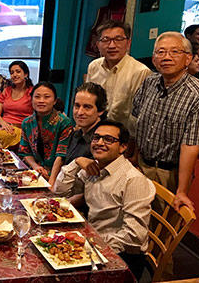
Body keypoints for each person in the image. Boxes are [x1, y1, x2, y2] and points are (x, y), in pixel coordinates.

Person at [53, 120, 155, 281]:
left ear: (123, 147)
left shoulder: (133, 180)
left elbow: (135, 237)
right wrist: (76, 162)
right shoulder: (95, 167)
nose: (100, 143)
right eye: (96, 138)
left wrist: (89, 243)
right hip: (94, 239)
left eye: (109, 139)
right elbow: (60, 194)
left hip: (122, 257)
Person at [133, 31, 199, 212]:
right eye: (160, 52)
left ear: (188, 59)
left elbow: (191, 145)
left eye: (175, 52)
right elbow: (137, 123)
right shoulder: (149, 82)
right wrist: (133, 158)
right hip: (140, 166)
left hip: (169, 173)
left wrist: (182, 190)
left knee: (159, 229)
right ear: (153, 60)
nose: (166, 57)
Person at [86, 20, 151, 135]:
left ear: (128, 43)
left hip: (121, 139)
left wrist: (131, 141)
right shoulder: (94, 67)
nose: (112, 45)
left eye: (118, 39)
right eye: (106, 40)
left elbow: (139, 116)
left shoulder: (141, 72)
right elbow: (87, 101)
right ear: (98, 44)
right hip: (94, 133)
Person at [52, 82, 107, 206]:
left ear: (100, 111)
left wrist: (60, 205)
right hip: (65, 196)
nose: (80, 112)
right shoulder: (77, 134)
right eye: (77, 106)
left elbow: (95, 191)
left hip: (87, 209)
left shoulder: (102, 141)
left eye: (87, 107)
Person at [18, 82, 73, 186]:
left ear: (54, 101)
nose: (41, 101)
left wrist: (52, 182)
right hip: (34, 172)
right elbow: (25, 152)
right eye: (37, 97)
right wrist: (35, 166)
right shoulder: (27, 122)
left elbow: (61, 156)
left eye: (47, 97)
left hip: (58, 174)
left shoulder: (64, 122)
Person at [0, 60, 33, 148]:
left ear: (26, 74)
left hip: (21, 129)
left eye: (18, 71)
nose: (14, 75)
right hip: (4, 126)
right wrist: (3, 124)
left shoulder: (32, 92)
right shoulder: (7, 91)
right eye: (12, 72)